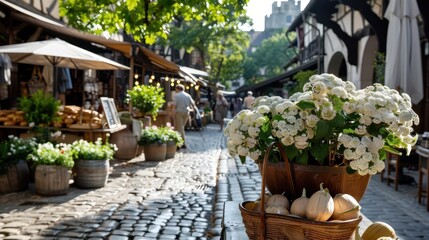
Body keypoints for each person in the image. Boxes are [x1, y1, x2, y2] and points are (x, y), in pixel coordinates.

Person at [173, 84, 195, 149]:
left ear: (177, 89)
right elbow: (193, 103)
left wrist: (172, 113)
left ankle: (179, 144)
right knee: (181, 127)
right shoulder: (188, 95)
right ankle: (183, 143)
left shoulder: (176, 96)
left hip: (179, 112)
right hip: (186, 112)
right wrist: (192, 111)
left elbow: (174, 105)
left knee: (179, 128)